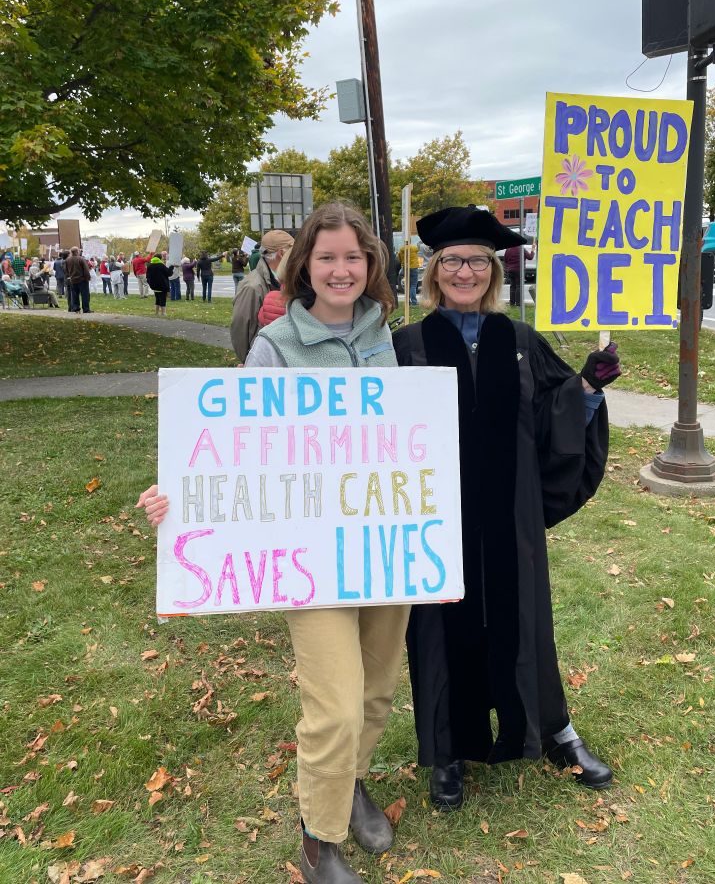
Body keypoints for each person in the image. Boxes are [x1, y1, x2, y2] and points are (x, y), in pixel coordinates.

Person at [138, 203, 406, 884]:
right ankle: (320, 835)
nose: (341, 269)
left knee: (375, 692)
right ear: (303, 267)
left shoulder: (386, 336)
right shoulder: (276, 345)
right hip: (309, 553)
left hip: (383, 542)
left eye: (354, 257)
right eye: (327, 258)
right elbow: (229, 445)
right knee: (337, 703)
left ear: (370, 265)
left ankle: (349, 783)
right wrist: (177, 494)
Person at [392, 205, 620, 809]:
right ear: (433, 271)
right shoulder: (405, 346)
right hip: (435, 521)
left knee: (526, 618)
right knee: (438, 627)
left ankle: (554, 732)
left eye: (476, 261)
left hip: (509, 514)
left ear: (493, 272)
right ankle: (446, 749)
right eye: (451, 261)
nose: (464, 271)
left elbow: (551, 417)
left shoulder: (517, 341)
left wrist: (588, 388)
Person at [230, 229, 294, 362]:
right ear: (282, 254)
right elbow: (241, 332)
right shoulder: (252, 287)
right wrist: (251, 364)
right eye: (293, 253)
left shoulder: (282, 279)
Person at [503, 242, 535, 307]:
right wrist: (532, 250)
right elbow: (530, 257)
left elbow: (505, 260)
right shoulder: (521, 249)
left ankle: (512, 303)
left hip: (510, 270)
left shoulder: (508, 249)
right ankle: (518, 303)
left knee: (512, 286)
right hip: (519, 270)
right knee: (518, 286)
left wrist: (508, 267)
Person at [65, 247, 91, 313]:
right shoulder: (81, 259)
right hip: (82, 279)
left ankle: (76, 308)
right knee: (85, 295)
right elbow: (86, 269)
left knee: (74, 295)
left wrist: (70, 275)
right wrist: (88, 277)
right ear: (77, 252)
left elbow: (66, 270)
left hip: (73, 279)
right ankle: (86, 309)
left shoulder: (68, 260)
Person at [398, 238, 420, 306]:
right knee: (413, 285)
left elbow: (399, 258)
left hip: (405, 268)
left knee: (407, 286)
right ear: (410, 241)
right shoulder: (414, 248)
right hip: (413, 268)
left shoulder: (401, 249)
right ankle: (414, 302)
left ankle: (407, 302)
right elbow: (418, 249)